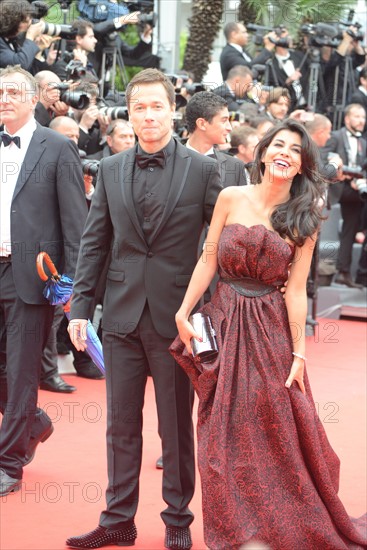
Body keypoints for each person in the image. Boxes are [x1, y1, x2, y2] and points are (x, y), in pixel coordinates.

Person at [169, 119, 367, 549]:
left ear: (301, 164)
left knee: (272, 425)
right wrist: (184, 310)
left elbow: (296, 292)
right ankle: (239, 528)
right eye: (278, 144)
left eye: (295, 150)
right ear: (262, 153)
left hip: (268, 328)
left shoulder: (305, 218)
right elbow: (207, 259)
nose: (285, 154)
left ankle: (275, 522)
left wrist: (299, 353)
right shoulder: (230, 196)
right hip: (222, 319)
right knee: (219, 427)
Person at [66, 68, 222, 550]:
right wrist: (79, 308)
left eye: (157, 106)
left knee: (175, 426)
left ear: (173, 110)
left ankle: (178, 519)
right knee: (119, 425)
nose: (148, 115)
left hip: (177, 320)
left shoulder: (203, 169)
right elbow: (95, 243)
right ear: (129, 114)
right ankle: (118, 518)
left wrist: (209, 313)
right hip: (119, 316)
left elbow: (216, 249)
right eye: (139, 108)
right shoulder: (110, 169)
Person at [0, 65, 87, 496]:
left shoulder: (56, 147)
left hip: (33, 274)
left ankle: (9, 462)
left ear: (33, 98)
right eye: (0, 91)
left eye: (15, 91)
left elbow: (76, 221)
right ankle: (33, 423)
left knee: (20, 371)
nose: (6, 98)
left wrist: (74, 286)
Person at [322, 103, 367, 288]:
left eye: (363, 117)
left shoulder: (364, 142)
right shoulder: (334, 136)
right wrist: (341, 173)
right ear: (347, 119)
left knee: (351, 226)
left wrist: (360, 180)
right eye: (357, 116)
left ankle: (344, 271)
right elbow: (323, 159)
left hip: (354, 191)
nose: (361, 121)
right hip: (335, 187)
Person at [185, 91, 247, 187]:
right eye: (224, 120)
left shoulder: (235, 166)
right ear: (202, 124)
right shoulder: (168, 162)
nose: (229, 127)